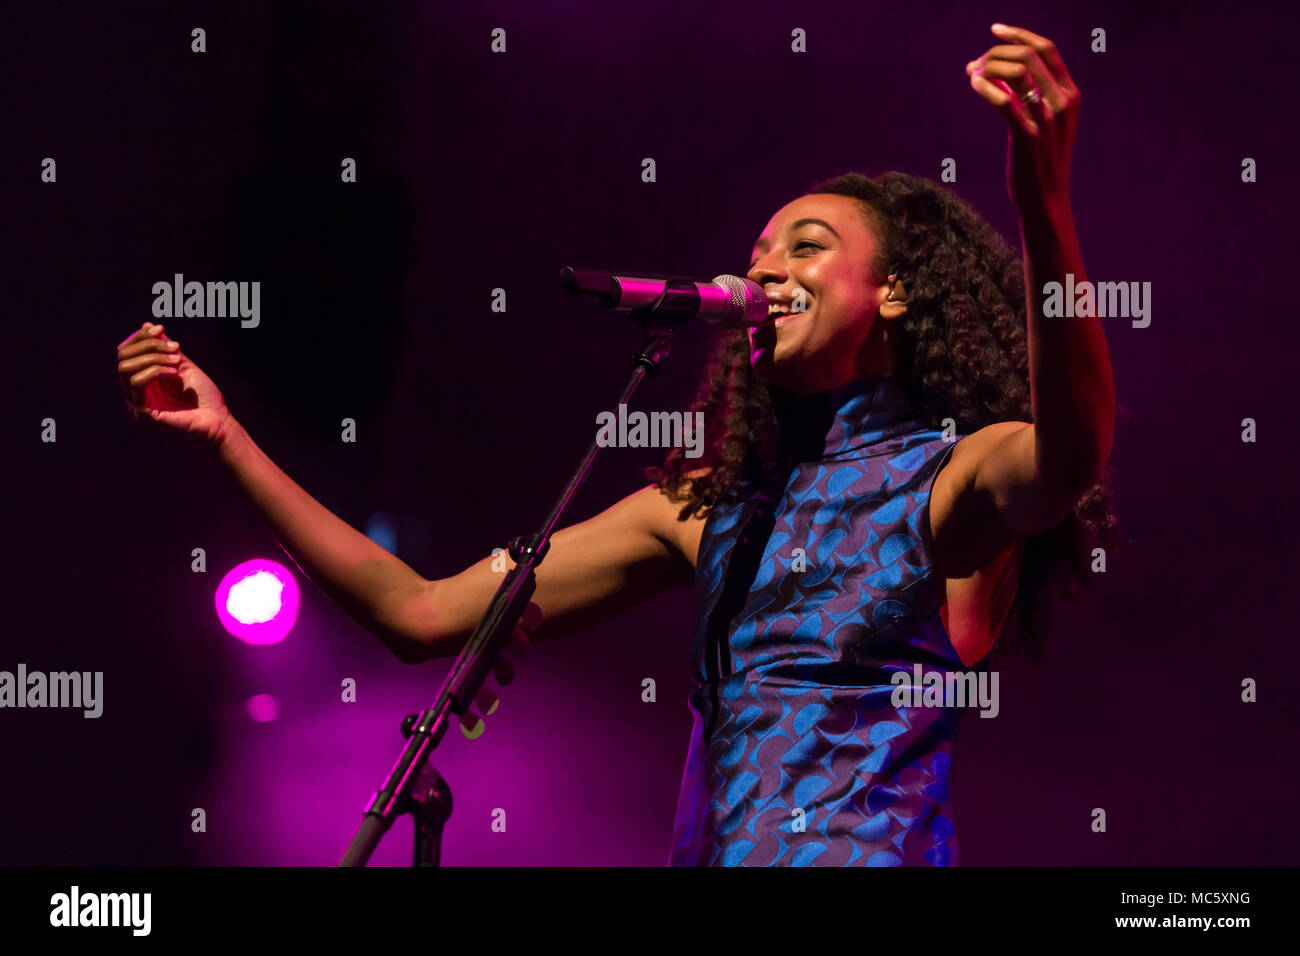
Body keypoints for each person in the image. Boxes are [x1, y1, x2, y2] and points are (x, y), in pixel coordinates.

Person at [116, 23, 1114, 866]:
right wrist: (228, 436)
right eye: (756, 251)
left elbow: (1069, 455)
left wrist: (1045, 200)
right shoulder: (706, 509)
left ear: (893, 293)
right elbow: (419, 611)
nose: (763, 269)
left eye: (804, 246)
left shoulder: (950, 475)